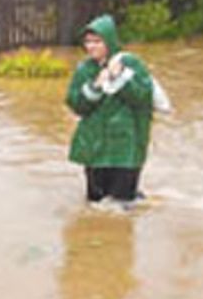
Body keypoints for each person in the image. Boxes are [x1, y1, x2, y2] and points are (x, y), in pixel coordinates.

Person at [65, 14, 155, 203]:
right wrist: (95, 86)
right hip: (95, 148)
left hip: (126, 149)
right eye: (88, 42)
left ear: (109, 41)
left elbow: (143, 98)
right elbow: (76, 105)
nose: (91, 47)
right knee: (96, 205)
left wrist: (120, 77)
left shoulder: (131, 64)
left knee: (122, 209)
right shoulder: (84, 69)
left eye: (97, 41)